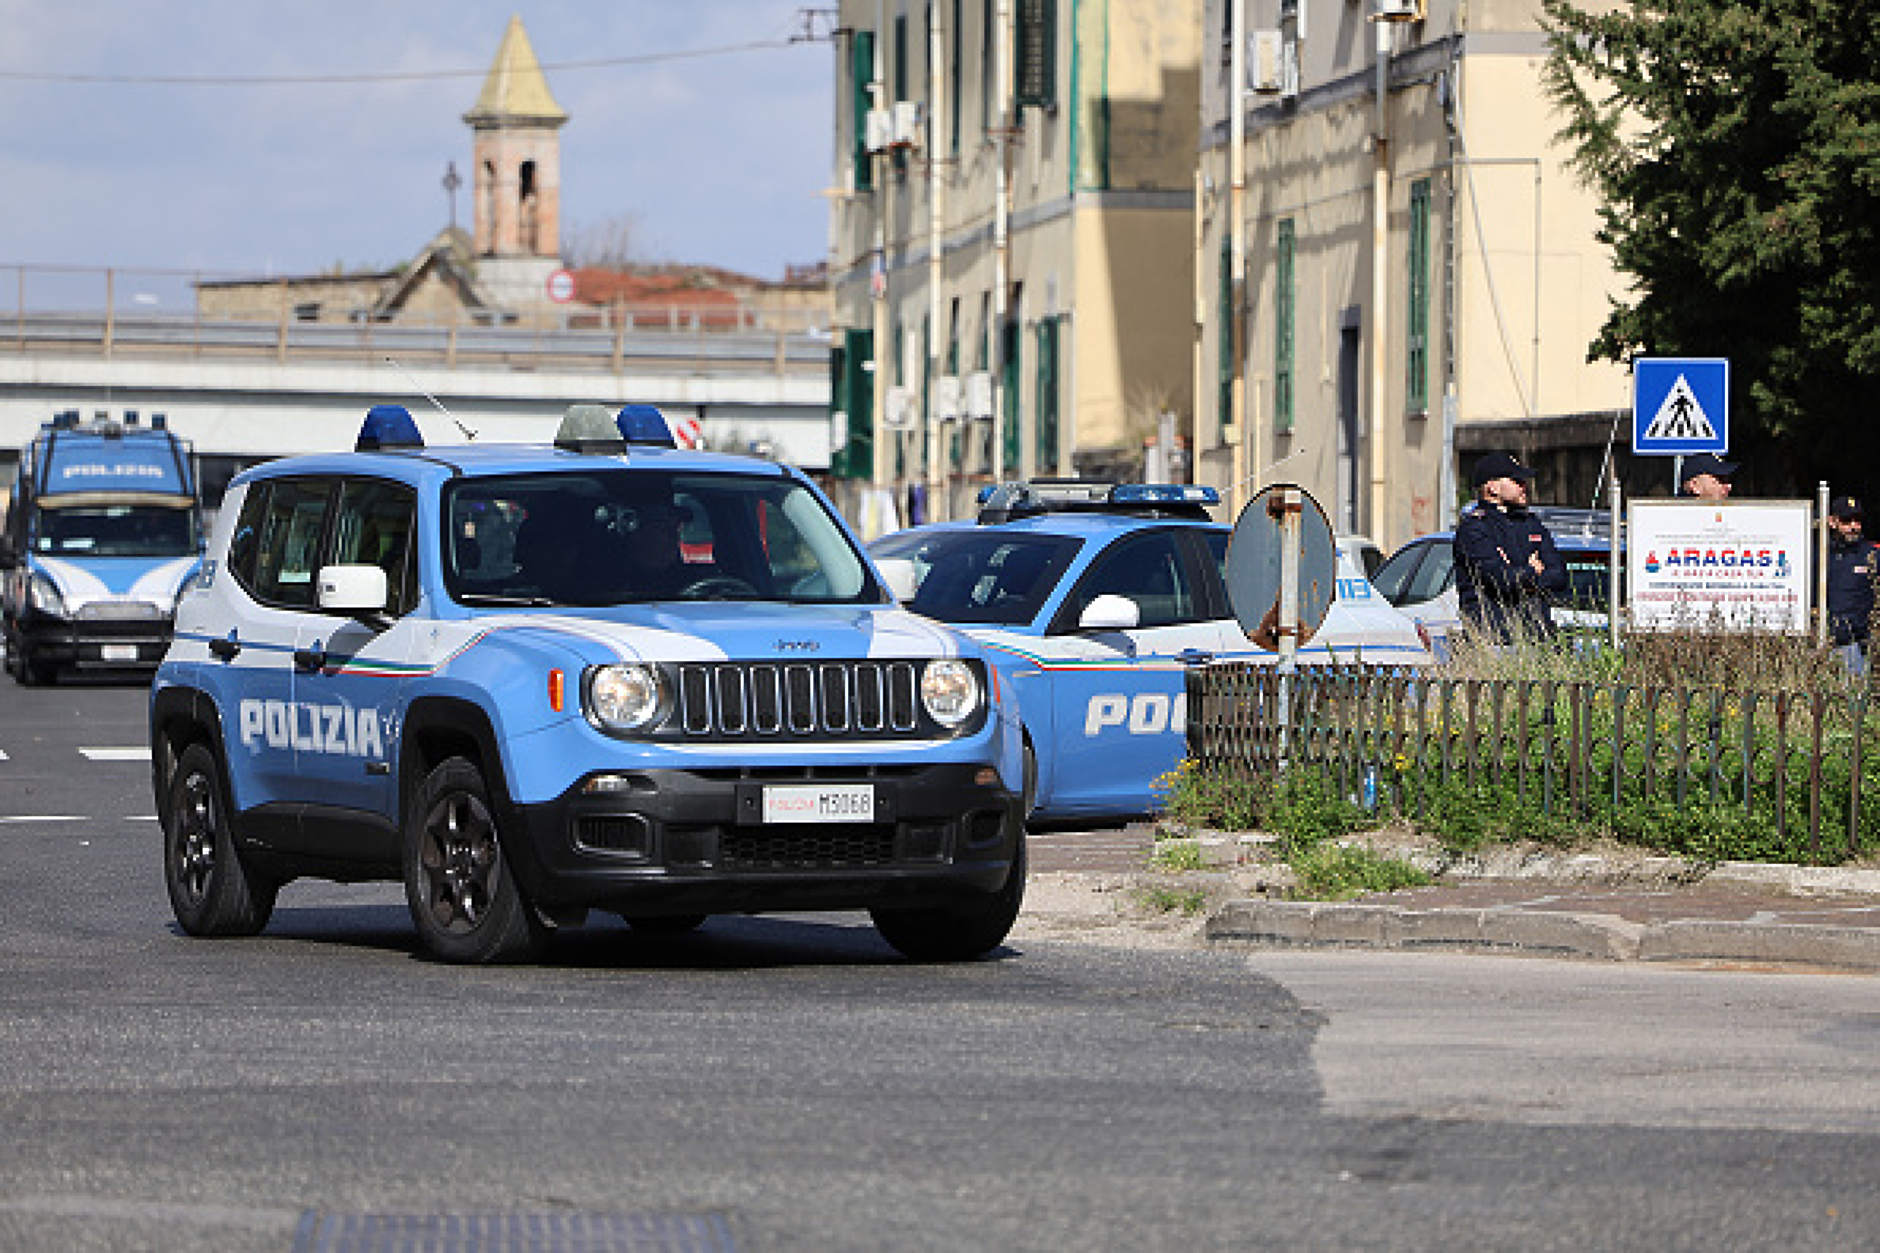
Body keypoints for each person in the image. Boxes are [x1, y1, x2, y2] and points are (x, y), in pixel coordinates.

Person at [1453, 451, 1568, 645]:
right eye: (1516, 481)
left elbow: (1559, 576)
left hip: (1537, 637)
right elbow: (1500, 581)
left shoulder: (1530, 524)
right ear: (1492, 487)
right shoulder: (1474, 529)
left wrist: (1521, 576)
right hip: (1494, 640)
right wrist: (1532, 571)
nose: (1524, 486)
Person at [1825, 495, 1878, 677]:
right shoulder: (1821, 554)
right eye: (1847, 521)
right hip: (1822, 642)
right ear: (1832, 522)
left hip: (1858, 644)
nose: (1854, 526)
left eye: (1857, 520)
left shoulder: (1871, 555)